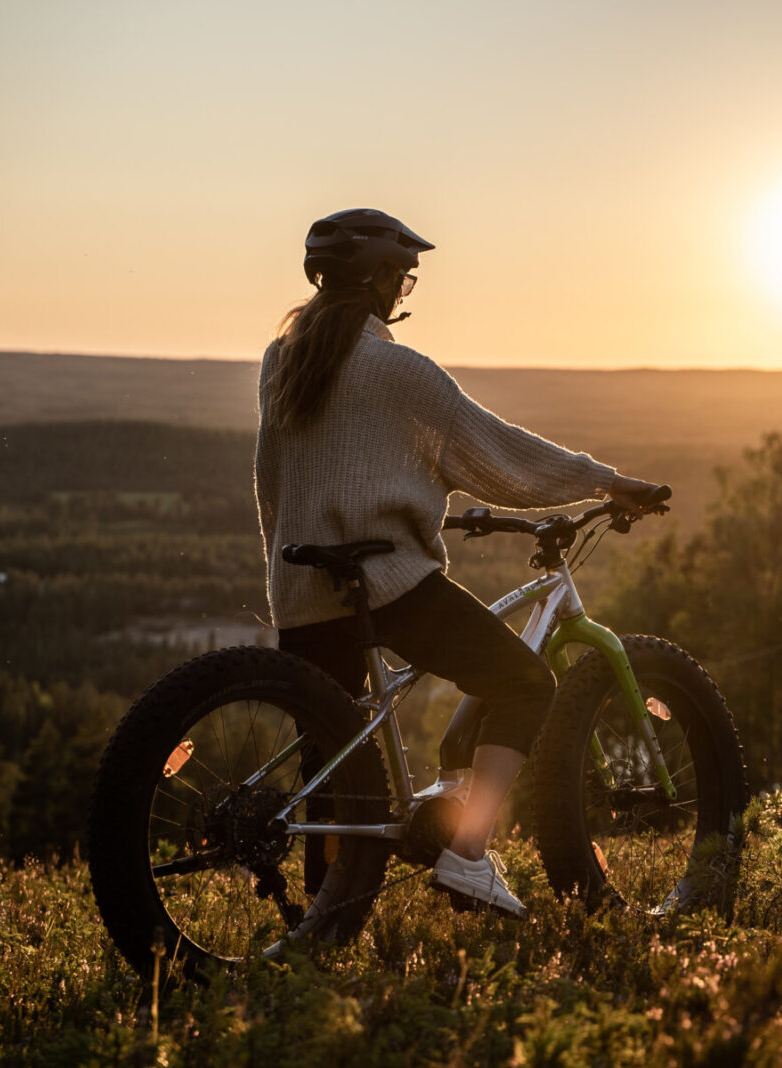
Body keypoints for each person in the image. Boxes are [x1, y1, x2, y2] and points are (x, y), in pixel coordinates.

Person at [254, 207, 661, 918]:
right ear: (380, 280)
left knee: (331, 751)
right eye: (403, 278)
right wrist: (603, 479)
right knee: (524, 681)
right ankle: (468, 854)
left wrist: (284, 575)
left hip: (302, 584)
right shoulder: (399, 370)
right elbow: (500, 458)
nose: (404, 290)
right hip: (386, 584)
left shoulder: (279, 359)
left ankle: (326, 915)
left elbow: (270, 478)